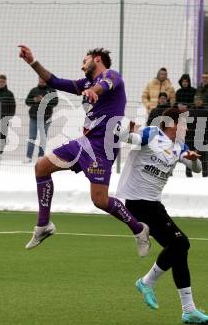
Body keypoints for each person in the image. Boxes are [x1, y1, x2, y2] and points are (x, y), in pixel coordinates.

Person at [18, 45, 149, 254]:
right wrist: (32, 62)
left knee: (100, 201)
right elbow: (54, 81)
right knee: (41, 167)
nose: (82, 66)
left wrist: (93, 91)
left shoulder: (110, 75)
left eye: (84, 60)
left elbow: (105, 85)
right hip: (84, 143)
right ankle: (43, 225)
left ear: (97, 59)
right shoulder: (86, 82)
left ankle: (139, 229)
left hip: (103, 147)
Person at [114, 107, 208, 324]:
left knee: (180, 248)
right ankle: (148, 282)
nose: (187, 128)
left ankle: (188, 310)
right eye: (184, 124)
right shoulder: (151, 134)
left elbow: (195, 168)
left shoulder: (180, 147)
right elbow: (126, 138)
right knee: (181, 244)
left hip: (154, 206)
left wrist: (195, 159)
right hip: (137, 204)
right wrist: (126, 129)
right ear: (171, 124)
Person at [24, 78, 59, 163]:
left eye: (43, 79)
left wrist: (44, 99)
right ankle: (28, 157)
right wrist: (34, 100)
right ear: (38, 80)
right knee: (32, 137)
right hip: (34, 117)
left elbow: (55, 102)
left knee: (43, 138)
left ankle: (40, 157)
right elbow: (27, 101)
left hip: (46, 118)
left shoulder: (51, 90)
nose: (42, 81)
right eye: (40, 79)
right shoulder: (34, 90)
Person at [186, 96, 208, 178]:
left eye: (199, 100)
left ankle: (205, 174)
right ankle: (188, 173)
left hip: (202, 137)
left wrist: (206, 137)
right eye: (196, 100)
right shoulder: (190, 111)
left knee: (204, 158)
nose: (198, 101)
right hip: (190, 137)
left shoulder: (207, 112)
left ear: (202, 101)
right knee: (190, 156)